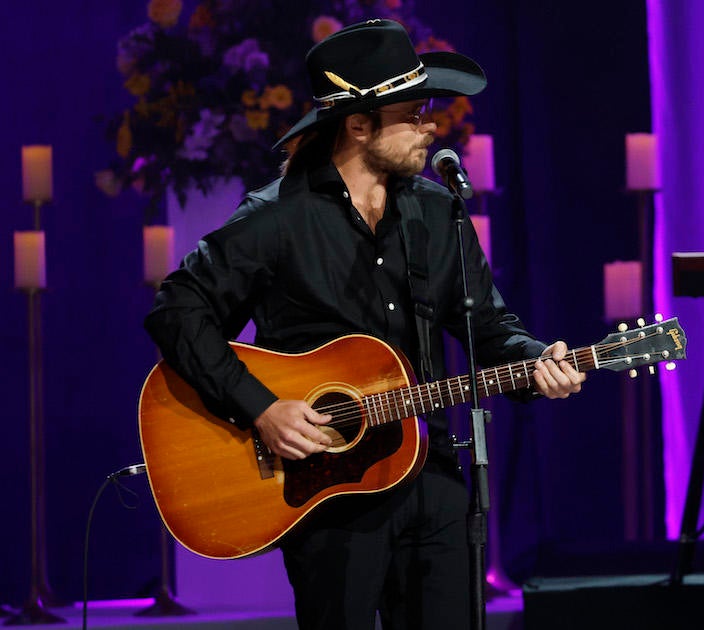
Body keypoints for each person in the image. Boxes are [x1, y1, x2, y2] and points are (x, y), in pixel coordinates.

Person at [144, 19, 585, 630]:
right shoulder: (277, 218)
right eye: (414, 113)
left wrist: (538, 363)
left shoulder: (438, 213)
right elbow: (177, 310)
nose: (431, 126)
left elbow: (487, 326)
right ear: (359, 125)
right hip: (328, 495)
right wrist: (263, 408)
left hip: (429, 476)